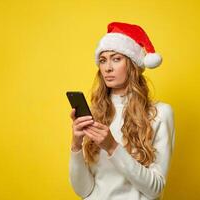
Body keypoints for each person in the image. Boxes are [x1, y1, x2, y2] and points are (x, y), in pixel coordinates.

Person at [68, 22, 175, 200]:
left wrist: (112, 147)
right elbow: (84, 190)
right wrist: (76, 145)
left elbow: (155, 189)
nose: (108, 67)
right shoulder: (96, 113)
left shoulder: (161, 114)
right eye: (103, 60)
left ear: (132, 65)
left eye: (116, 59)